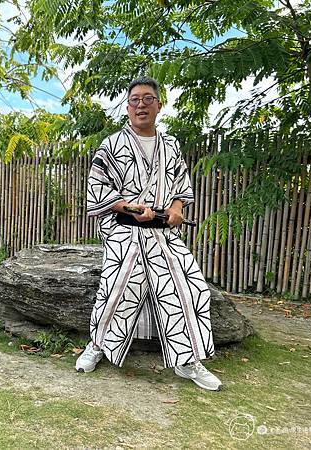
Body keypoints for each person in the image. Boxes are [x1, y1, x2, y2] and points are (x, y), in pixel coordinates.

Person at [76, 77, 222, 391]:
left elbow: (181, 186)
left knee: (191, 288)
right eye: (134, 100)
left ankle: (188, 360)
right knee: (117, 287)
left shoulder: (171, 145)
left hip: (162, 233)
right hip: (124, 230)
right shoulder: (112, 144)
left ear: (159, 104)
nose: (140, 105)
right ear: (127, 107)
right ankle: (98, 345)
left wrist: (178, 208)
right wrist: (130, 207)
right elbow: (98, 189)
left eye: (147, 99)